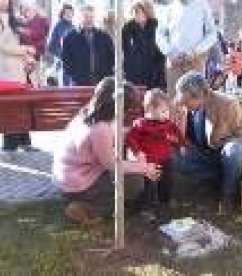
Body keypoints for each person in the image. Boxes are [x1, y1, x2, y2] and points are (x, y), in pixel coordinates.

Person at [53, 77, 161, 225]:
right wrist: (143, 168)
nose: (132, 111)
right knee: (135, 182)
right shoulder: (99, 129)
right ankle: (88, 208)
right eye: (129, 107)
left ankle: (91, 201)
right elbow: (112, 164)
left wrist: (137, 131)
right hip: (78, 183)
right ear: (118, 106)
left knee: (130, 176)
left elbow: (116, 133)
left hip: (70, 177)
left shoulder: (87, 114)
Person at [173, 71, 242, 210]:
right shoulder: (182, 106)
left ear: (202, 95)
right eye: (181, 102)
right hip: (201, 154)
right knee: (171, 155)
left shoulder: (228, 104)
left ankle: (228, 193)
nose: (184, 106)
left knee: (235, 150)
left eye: (186, 102)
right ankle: (218, 177)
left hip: (223, 154)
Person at [0, 0, 37, 152]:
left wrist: (29, 59)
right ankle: (10, 143)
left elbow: (19, 40)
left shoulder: (14, 18)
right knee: (10, 105)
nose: (4, 1)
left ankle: (24, 141)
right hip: (6, 69)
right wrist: (24, 49)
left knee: (23, 104)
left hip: (22, 68)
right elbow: (1, 46)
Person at [126, 89, 183, 216]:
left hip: (165, 158)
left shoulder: (168, 123)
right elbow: (130, 138)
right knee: (149, 185)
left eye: (167, 111)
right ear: (150, 109)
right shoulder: (141, 124)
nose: (167, 114)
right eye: (163, 111)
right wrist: (138, 152)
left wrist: (180, 143)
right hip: (149, 161)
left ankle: (165, 201)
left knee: (167, 180)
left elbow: (177, 134)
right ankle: (147, 207)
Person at [156, 0, 217, 97]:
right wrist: (169, 51)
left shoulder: (202, 5)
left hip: (195, 62)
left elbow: (212, 34)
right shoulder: (169, 7)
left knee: (196, 99)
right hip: (174, 63)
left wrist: (196, 51)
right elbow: (159, 35)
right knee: (175, 101)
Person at [61, 5, 114, 86]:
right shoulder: (69, 37)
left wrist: (107, 76)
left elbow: (111, 59)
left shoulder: (104, 37)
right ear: (79, 18)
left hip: (101, 83)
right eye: (86, 17)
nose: (89, 20)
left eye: (91, 17)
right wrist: (75, 76)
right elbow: (65, 61)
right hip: (78, 84)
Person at [122, 0, 165, 90]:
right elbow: (124, 50)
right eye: (134, 11)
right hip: (133, 73)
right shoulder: (127, 29)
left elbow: (161, 50)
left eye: (138, 11)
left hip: (153, 73)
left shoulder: (155, 26)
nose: (135, 14)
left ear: (146, 12)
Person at [17, 0, 50, 86]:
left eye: (27, 9)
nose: (25, 11)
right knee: (27, 82)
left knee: (37, 81)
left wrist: (24, 32)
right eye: (23, 9)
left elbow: (40, 36)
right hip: (23, 57)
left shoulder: (41, 20)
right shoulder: (22, 20)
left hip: (36, 55)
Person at [47, 4, 74, 86]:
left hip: (72, 62)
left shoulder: (73, 27)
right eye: (67, 12)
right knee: (63, 85)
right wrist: (60, 55)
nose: (69, 14)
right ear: (62, 14)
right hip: (60, 62)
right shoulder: (58, 26)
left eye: (71, 12)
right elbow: (51, 45)